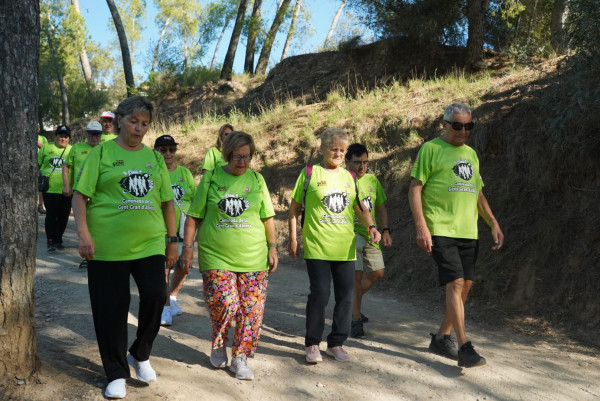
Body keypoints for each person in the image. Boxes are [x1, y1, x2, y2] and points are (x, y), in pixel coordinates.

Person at [72, 96, 178, 399]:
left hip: (150, 243)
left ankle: (140, 353)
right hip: (106, 247)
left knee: (157, 296)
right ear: (119, 120)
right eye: (134, 121)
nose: (139, 128)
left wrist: (173, 241)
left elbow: (168, 202)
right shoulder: (101, 153)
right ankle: (116, 372)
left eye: (144, 124)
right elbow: (80, 196)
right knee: (111, 310)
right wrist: (83, 235)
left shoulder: (155, 158)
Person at [408, 102, 504, 368]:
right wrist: (421, 226)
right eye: (457, 126)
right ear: (444, 124)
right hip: (440, 228)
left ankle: (441, 337)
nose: (463, 131)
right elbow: (415, 190)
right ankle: (464, 346)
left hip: (468, 230)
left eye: (468, 126)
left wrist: (493, 223)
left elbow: (478, 193)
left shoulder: (471, 154)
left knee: (466, 285)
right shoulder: (431, 149)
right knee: (456, 283)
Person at [180, 131, 278, 381]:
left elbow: (267, 217)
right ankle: (219, 342)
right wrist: (188, 247)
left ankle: (241, 357)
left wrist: (273, 246)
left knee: (251, 309)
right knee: (225, 302)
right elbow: (194, 216)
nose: (242, 162)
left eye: (247, 157)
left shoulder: (257, 180)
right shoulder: (211, 178)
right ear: (227, 154)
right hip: (216, 255)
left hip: (254, 257)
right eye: (237, 156)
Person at [288, 127, 381, 364]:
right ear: (322, 149)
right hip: (317, 245)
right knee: (320, 293)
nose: (338, 154)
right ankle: (312, 344)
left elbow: (359, 207)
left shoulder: (349, 177)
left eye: (342, 150)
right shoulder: (311, 173)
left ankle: (336, 342)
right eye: (334, 149)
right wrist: (293, 238)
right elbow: (294, 208)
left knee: (346, 296)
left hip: (345, 248)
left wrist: (371, 226)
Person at [344, 143, 393, 338]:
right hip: (349, 234)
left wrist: (386, 230)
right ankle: (355, 319)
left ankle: (350, 304)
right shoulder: (342, 179)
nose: (362, 167)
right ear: (347, 162)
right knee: (356, 276)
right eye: (357, 163)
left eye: (365, 162)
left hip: (370, 233)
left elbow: (380, 208)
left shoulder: (372, 180)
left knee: (377, 272)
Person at [153, 134, 196, 326]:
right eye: (163, 150)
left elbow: (194, 201)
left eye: (171, 149)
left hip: (184, 228)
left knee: (183, 266)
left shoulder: (185, 174)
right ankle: (163, 308)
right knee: (164, 268)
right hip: (162, 228)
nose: (168, 153)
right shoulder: (154, 172)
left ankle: (172, 298)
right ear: (156, 152)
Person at [63, 121, 103, 268]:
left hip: (98, 194)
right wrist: (66, 185)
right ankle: (87, 256)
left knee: (97, 224)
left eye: (97, 134)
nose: (94, 137)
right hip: (80, 193)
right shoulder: (77, 148)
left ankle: (97, 253)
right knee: (83, 224)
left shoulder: (105, 149)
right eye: (92, 134)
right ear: (87, 134)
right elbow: (66, 166)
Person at [38, 125, 72, 251]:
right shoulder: (47, 147)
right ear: (55, 136)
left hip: (67, 189)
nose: (63, 138)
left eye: (65, 136)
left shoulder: (72, 150)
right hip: (50, 189)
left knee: (64, 216)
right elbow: (38, 164)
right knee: (52, 215)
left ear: (69, 139)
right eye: (60, 136)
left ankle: (58, 239)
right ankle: (50, 240)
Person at [37, 128, 48, 214]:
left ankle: (41, 205)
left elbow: (46, 147)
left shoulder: (42, 138)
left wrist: (40, 144)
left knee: (42, 187)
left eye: (38, 126)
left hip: (41, 167)